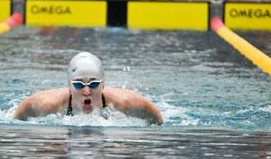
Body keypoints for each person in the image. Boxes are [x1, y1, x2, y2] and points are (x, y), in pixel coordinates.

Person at [13, 52, 163, 125]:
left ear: (103, 85)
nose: (86, 91)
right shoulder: (46, 104)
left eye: (94, 84)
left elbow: (158, 121)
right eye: (78, 84)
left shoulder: (126, 102)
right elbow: (17, 119)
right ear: (69, 86)